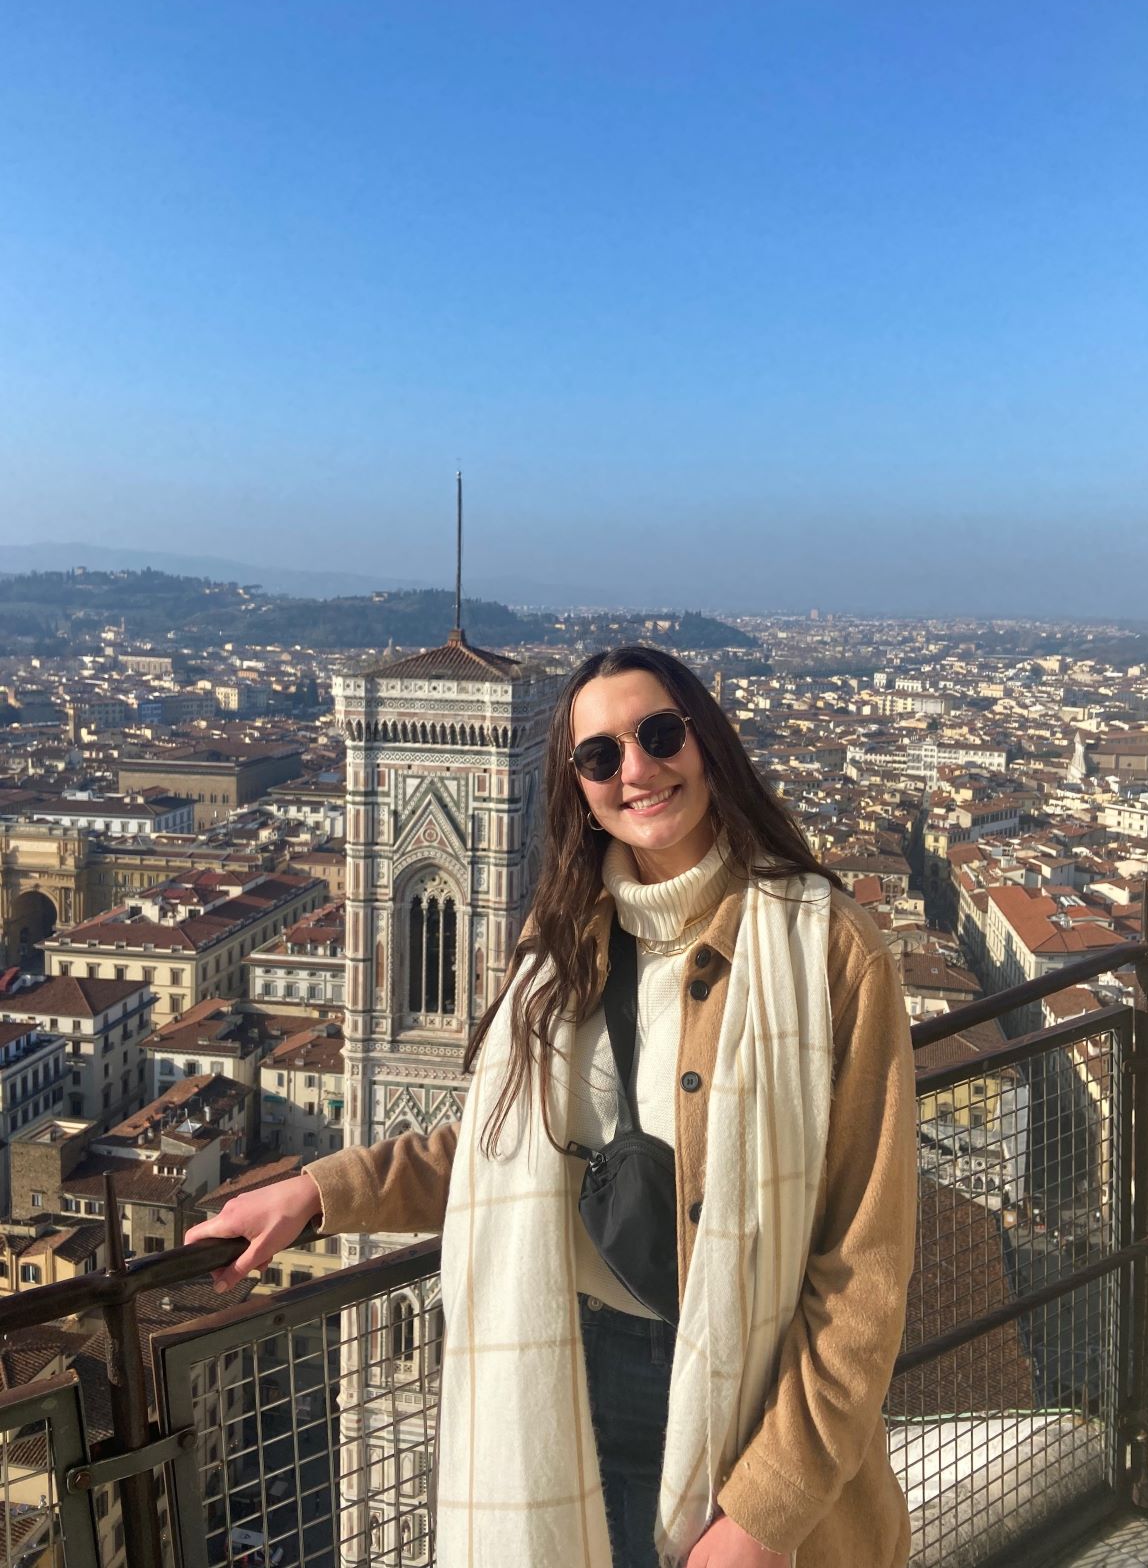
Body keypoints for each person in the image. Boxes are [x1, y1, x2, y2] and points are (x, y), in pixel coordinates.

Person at [186, 646, 917, 1568]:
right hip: (569, 1371)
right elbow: (507, 1149)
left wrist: (765, 1516)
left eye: (658, 735)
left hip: (750, 1394)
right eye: (600, 756)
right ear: (574, 786)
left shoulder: (825, 947)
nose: (637, 771)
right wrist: (318, 1193)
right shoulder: (565, 936)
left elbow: (866, 1268)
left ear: (707, 738)